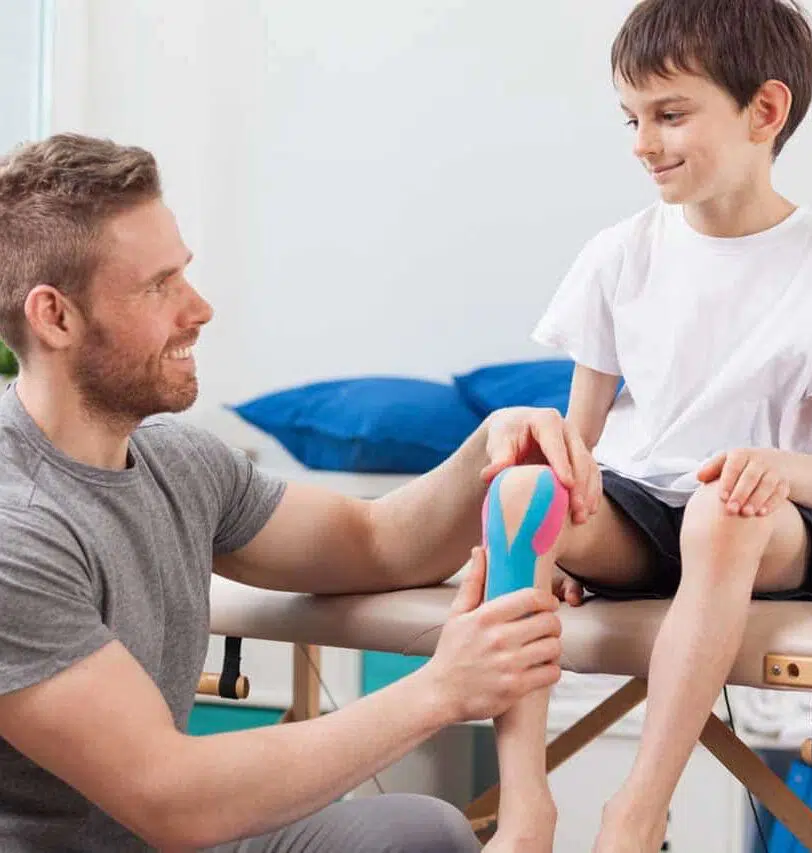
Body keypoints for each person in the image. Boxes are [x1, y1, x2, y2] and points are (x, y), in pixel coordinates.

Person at [0, 133, 577, 852]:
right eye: (159, 286)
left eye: (186, 273)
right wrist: (442, 688)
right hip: (138, 831)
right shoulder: (15, 531)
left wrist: (489, 443)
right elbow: (170, 796)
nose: (199, 307)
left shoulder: (175, 460)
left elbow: (376, 543)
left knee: (423, 832)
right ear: (55, 317)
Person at [491, 1, 812, 851]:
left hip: (764, 525)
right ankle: (524, 803)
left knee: (720, 506)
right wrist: (551, 526)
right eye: (633, 118)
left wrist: (776, 468)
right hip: (641, 508)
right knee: (521, 488)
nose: (642, 143)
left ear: (765, 111)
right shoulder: (620, 254)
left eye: (671, 114)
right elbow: (574, 448)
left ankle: (639, 807)